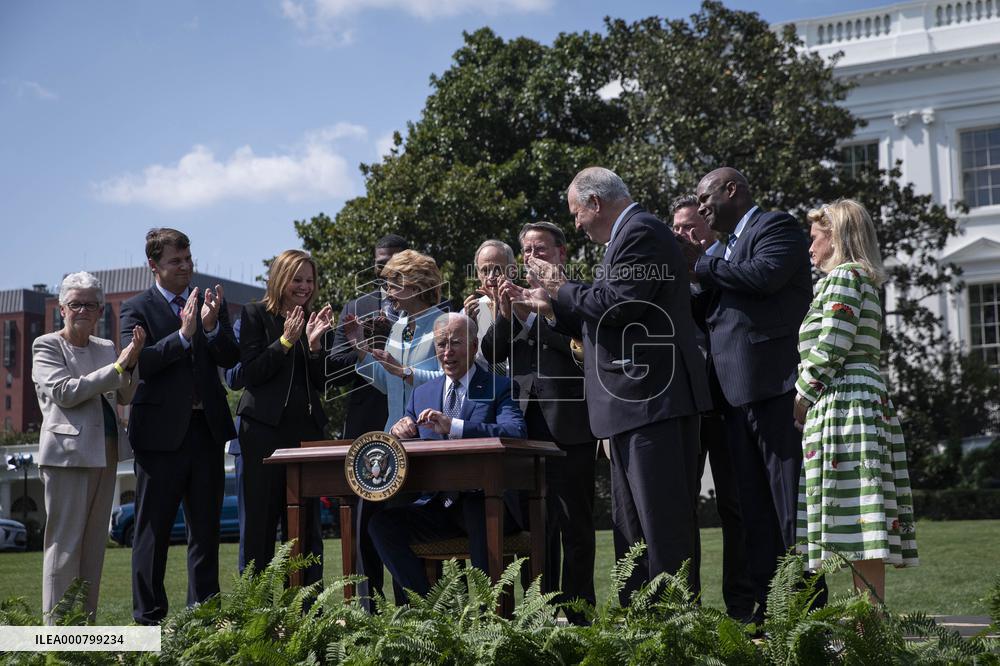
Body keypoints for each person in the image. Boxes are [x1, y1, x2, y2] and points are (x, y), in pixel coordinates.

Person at [512, 166, 712, 602]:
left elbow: (618, 305)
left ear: (595, 203)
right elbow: (603, 310)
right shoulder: (629, 236)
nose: (577, 224)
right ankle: (641, 623)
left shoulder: (641, 233)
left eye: (576, 213)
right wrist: (551, 306)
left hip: (651, 402)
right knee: (631, 529)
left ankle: (675, 628)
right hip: (631, 407)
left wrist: (560, 286)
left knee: (661, 528)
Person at [691, 167, 823, 623]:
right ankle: (772, 610)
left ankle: (808, 615)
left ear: (734, 190)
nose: (702, 206)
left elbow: (764, 276)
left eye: (706, 197)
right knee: (753, 512)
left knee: (789, 509)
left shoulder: (776, 226)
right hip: (733, 399)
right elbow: (710, 309)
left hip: (775, 389)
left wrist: (704, 263)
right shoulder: (723, 250)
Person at [794, 199, 918, 601]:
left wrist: (802, 395)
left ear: (836, 236)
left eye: (814, 238)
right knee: (856, 517)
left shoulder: (845, 277)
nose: (809, 248)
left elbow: (832, 344)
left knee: (858, 517)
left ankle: (867, 631)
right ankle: (868, 627)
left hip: (846, 402)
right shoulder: (855, 279)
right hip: (853, 399)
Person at [120, 228, 239, 625]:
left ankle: (203, 619)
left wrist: (208, 328)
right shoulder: (135, 308)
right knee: (151, 534)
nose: (186, 267)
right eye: (176, 261)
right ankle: (148, 620)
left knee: (205, 533)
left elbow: (230, 356)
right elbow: (142, 363)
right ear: (153, 265)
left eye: (189, 259)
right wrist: (185, 335)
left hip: (205, 433)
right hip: (158, 439)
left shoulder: (208, 302)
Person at [480, 221, 597, 623]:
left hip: (571, 424)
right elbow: (493, 352)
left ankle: (580, 613)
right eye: (526, 251)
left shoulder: (577, 294)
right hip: (526, 429)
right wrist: (508, 313)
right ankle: (540, 611)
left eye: (540, 249)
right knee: (537, 527)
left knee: (575, 524)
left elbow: (583, 349)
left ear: (561, 253)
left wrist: (542, 318)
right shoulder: (510, 299)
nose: (532, 257)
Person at [368, 313, 527, 596]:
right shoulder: (422, 394)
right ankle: (426, 609)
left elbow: (514, 432)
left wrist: (453, 426)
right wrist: (398, 431)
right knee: (382, 525)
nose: (447, 351)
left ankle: (491, 619)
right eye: (441, 344)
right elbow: (406, 434)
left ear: (475, 345)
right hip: (439, 505)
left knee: (477, 509)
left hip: (488, 503)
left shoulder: (499, 387)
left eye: (456, 343)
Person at [32, 272, 144, 623]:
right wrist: (118, 366)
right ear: (62, 309)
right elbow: (66, 391)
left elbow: (126, 393)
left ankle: (86, 632)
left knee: (94, 548)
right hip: (66, 458)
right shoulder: (46, 345)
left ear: (99, 311)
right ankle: (56, 636)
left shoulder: (106, 348)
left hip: (106, 453)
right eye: (76, 303)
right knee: (64, 548)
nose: (83, 309)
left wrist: (132, 361)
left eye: (91, 304)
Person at [671, 195, 755, 621]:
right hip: (683, 405)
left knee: (735, 506)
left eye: (691, 227)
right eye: (678, 231)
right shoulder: (669, 277)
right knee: (680, 507)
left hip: (726, 402)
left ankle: (743, 606)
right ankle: (687, 609)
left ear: (707, 225)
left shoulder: (729, 262)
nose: (685, 236)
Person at [236, 250, 333, 583]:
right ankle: (258, 614)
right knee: (260, 527)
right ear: (280, 279)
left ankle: (309, 613)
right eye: (297, 279)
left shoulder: (314, 319)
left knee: (307, 529)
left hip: (305, 436)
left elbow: (321, 384)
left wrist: (316, 345)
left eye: (309, 280)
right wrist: (285, 342)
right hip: (263, 435)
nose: (304, 287)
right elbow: (250, 374)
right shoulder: (254, 315)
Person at [328, 233, 409, 609]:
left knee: (410, 521)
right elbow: (336, 368)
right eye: (381, 263)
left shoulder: (426, 307)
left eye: (395, 261)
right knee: (363, 527)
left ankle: (415, 610)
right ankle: (368, 613)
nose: (387, 269)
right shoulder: (357, 307)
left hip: (413, 429)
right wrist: (367, 342)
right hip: (366, 430)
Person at [463, 239, 517, 376]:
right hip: (483, 391)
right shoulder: (470, 311)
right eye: (485, 271)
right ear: (477, 274)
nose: (491, 277)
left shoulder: (529, 306)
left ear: (513, 271)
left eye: (497, 269)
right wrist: (468, 331)